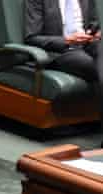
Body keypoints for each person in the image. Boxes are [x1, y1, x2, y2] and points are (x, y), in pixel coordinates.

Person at [24, 0, 103, 139]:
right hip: (61, 51)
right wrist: (67, 40)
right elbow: (32, 37)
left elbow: (94, 22)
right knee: (93, 64)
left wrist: (95, 32)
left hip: (88, 44)